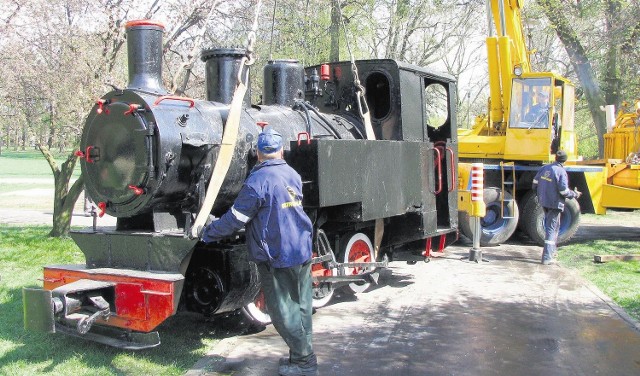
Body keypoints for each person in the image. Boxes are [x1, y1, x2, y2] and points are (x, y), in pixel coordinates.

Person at [199, 127, 318, 376]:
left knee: (282, 312)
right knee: (303, 307)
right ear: (281, 150)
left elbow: (235, 219)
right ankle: (300, 359)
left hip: (277, 254)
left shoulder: (257, 182)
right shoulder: (292, 173)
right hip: (301, 247)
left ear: (257, 153)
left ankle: (305, 362)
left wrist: (207, 232)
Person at [532, 150, 581, 265]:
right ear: (565, 160)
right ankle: (547, 257)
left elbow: (535, 183)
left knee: (554, 227)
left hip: (544, 202)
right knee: (551, 229)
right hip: (554, 204)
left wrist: (539, 194)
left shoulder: (545, 168)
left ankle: (552, 252)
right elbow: (563, 191)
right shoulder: (561, 171)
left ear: (555, 158)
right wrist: (574, 194)